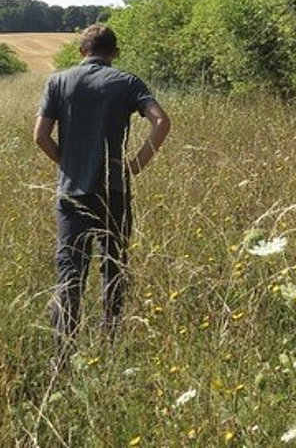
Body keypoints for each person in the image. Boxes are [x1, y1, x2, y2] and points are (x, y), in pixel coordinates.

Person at [33, 24, 171, 371]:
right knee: (114, 269)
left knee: (70, 276)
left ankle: (62, 359)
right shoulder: (127, 82)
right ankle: (109, 349)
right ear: (115, 53)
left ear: (82, 51)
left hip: (71, 193)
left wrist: (68, 163)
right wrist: (135, 164)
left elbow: (40, 136)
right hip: (114, 190)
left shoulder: (59, 81)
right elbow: (161, 122)